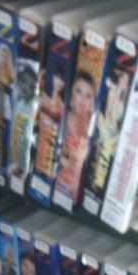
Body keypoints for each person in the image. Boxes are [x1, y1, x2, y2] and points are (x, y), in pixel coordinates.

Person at [56, 71, 95, 199]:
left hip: (80, 191)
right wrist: (64, 161)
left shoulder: (93, 128)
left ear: (92, 103)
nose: (82, 99)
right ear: (72, 94)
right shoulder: (65, 117)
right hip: (61, 183)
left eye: (88, 95)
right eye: (78, 91)